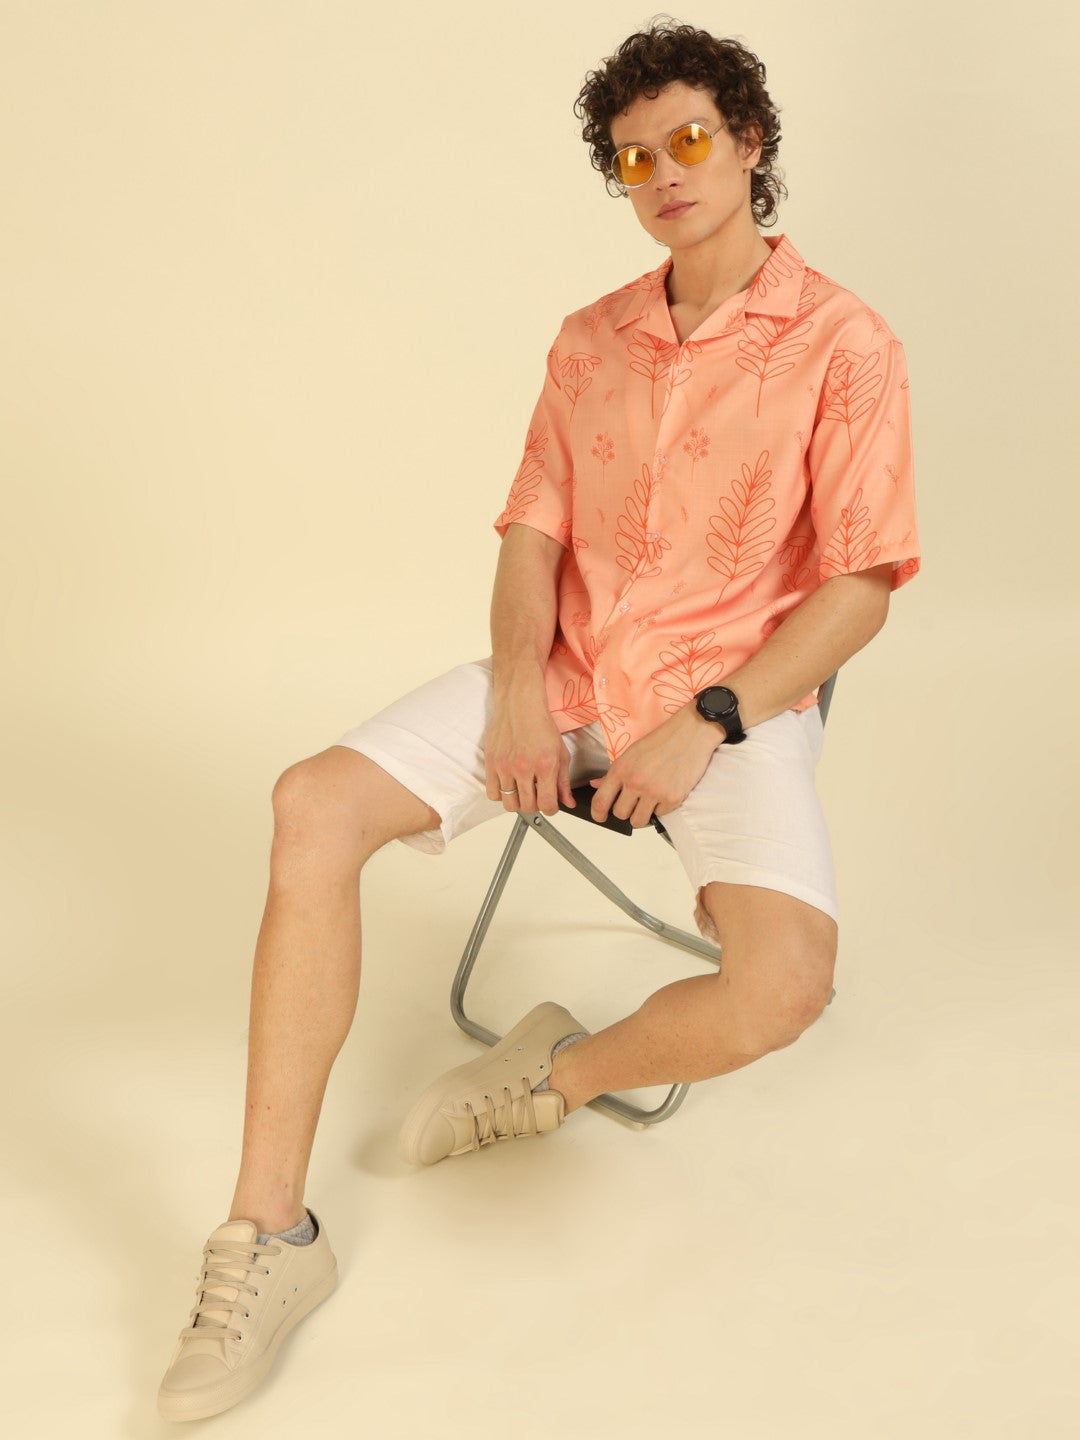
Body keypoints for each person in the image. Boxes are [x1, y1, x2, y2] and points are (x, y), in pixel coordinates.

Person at [157, 19, 920, 1422]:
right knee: (310, 802)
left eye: (688, 140)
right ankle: (271, 1236)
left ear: (748, 142)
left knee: (785, 988)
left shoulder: (846, 344)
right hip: (563, 681)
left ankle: (556, 1075)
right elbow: (532, 534)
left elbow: (862, 585)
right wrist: (517, 686)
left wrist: (709, 717)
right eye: (634, 158)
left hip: (727, 708)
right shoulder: (590, 340)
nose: (663, 174)